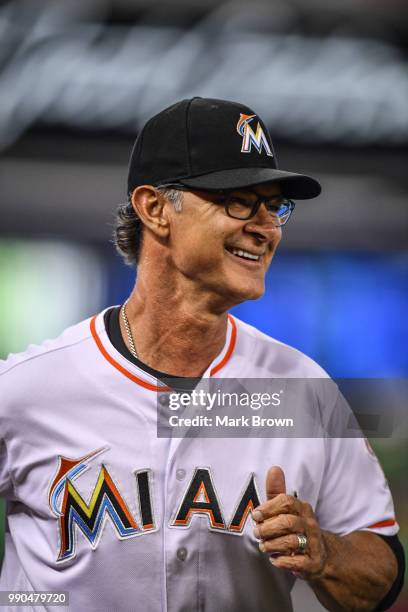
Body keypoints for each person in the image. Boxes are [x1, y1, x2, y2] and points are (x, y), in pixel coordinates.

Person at [0, 97, 404, 612]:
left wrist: (324, 552)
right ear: (154, 208)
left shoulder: (301, 389)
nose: (267, 226)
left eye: (275, 205)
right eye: (239, 199)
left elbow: (382, 568)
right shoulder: (29, 388)